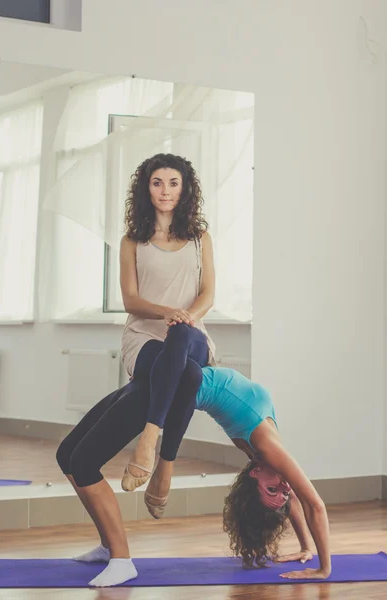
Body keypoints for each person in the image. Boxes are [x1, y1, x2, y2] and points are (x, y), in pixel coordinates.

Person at [56, 366, 331, 587]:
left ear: (255, 475)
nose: (283, 486)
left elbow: (294, 497)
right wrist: (323, 567)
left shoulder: (263, 458)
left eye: (274, 491)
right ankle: (109, 547)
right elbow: (313, 503)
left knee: (78, 462)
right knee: (69, 456)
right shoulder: (269, 450)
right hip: (166, 383)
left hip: (165, 392)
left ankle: (117, 555)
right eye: (279, 490)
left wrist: (307, 548)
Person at [119, 153, 216, 493]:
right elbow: (130, 300)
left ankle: (149, 437)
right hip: (144, 337)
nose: (165, 191)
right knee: (188, 374)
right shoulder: (132, 240)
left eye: (173, 183)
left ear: (185, 188)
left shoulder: (199, 238)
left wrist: (187, 317)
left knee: (181, 334)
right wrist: (166, 312)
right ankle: (165, 465)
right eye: (157, 182)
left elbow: (207, 294)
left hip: (191, 334)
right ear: (146, 189)